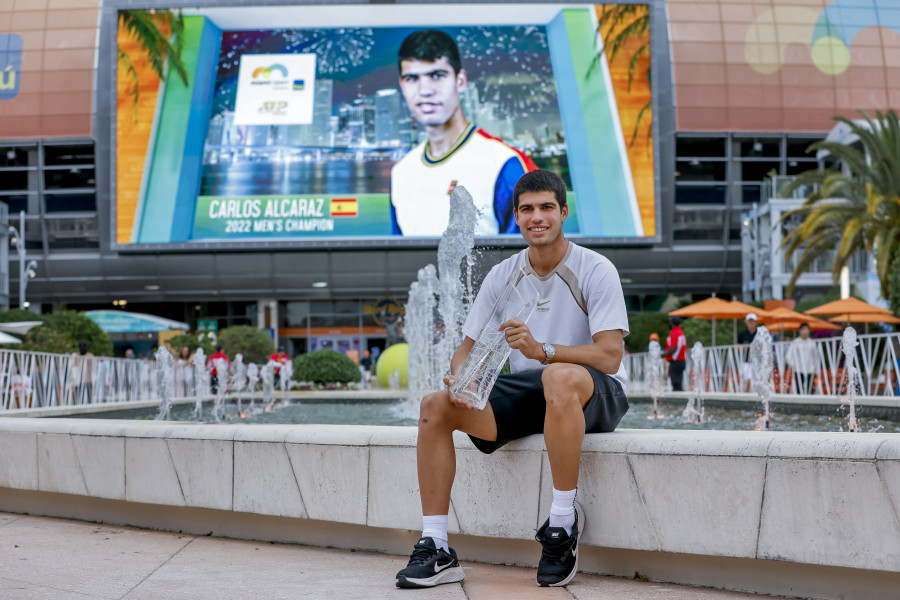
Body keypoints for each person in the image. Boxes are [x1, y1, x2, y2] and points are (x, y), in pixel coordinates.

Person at [394, 170, 629, 589]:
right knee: (434, 406)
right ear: (516, 217)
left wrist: (544, 351)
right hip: (537, 393)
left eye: (545, 208)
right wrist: (461, 377)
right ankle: (437, 546)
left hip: (594, 391)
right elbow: (466, 347)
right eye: (526, 209)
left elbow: (611, 356)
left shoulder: (596, 269)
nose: (536, 217)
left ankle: (562, 524)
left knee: (556, 376)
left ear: (563, 212)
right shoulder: (504, 274)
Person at [390, 29, 538, 237]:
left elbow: (537, 262)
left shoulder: (503, 164)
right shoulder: (401, 172)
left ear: (460, 81)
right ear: (402, 85)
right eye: (412, 78)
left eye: (436, 76)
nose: (425, 90)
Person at [786, 323, 818, 394]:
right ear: (800, 331)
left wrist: (815, 368)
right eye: (803, 329)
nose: (805, 331)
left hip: (810, 369)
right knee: (799, 389)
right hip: (798, 369)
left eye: (807, 329)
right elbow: (788, 355)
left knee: (809, 388)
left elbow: (815, 357)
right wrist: (793, 364)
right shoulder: (795, 343)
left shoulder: (812, 343)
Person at [663, 316, 686, 391]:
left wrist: (664, 355)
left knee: (676, 384)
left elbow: (673, 348)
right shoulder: (680, 332)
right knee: (678, 384)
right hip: (681, 361)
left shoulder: (675, 333)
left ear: (671, 323)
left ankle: (679, 401)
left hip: (676, 361)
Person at [738, 313, 758, 392]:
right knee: (748, 379)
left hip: (757, 361)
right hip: (746, 360)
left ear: (756, 322)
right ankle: (747, 395)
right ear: (746, 322)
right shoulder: (742, 334)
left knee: (758, 380)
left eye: (753, 321)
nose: (751, 323)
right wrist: (744, 347)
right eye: (749, 321)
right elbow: (737, 347)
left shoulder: (759, 333)